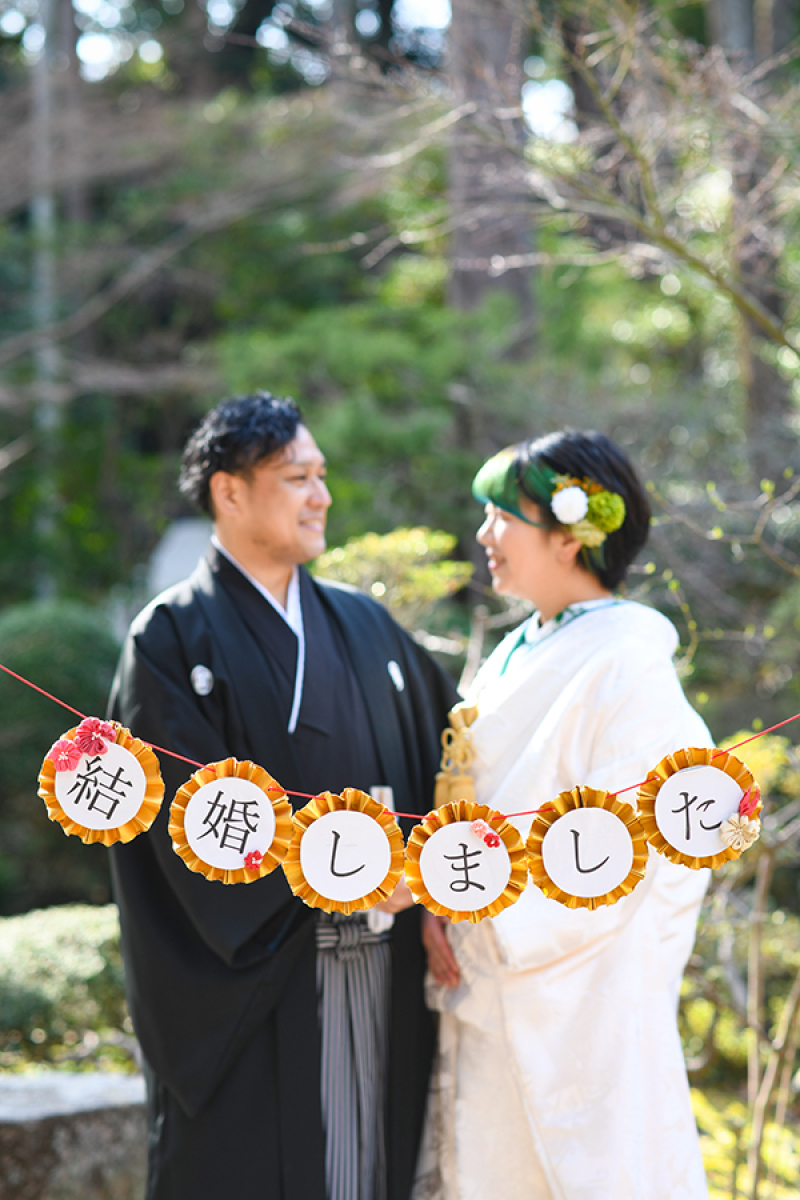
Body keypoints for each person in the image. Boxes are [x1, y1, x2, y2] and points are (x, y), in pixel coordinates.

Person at [108, 392, 458, 1200]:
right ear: (229, 491)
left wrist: (438, 883)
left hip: (386, 957)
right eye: (296, 476)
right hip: (261, 982)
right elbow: (184, 817)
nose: (321, 496)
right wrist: (340, 876)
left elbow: (454, 758)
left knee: (373, 1161)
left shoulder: (369, 627)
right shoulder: (171, 638)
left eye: (321, 475)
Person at [414, 431, 710, 1200]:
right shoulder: (519, 647)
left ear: (571, 537)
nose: (484, 535)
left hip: (575, 987)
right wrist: (442, 906)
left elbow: (652, 837)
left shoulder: (627, 660)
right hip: (488, 971)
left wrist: (497, 913)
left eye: (501, 516)